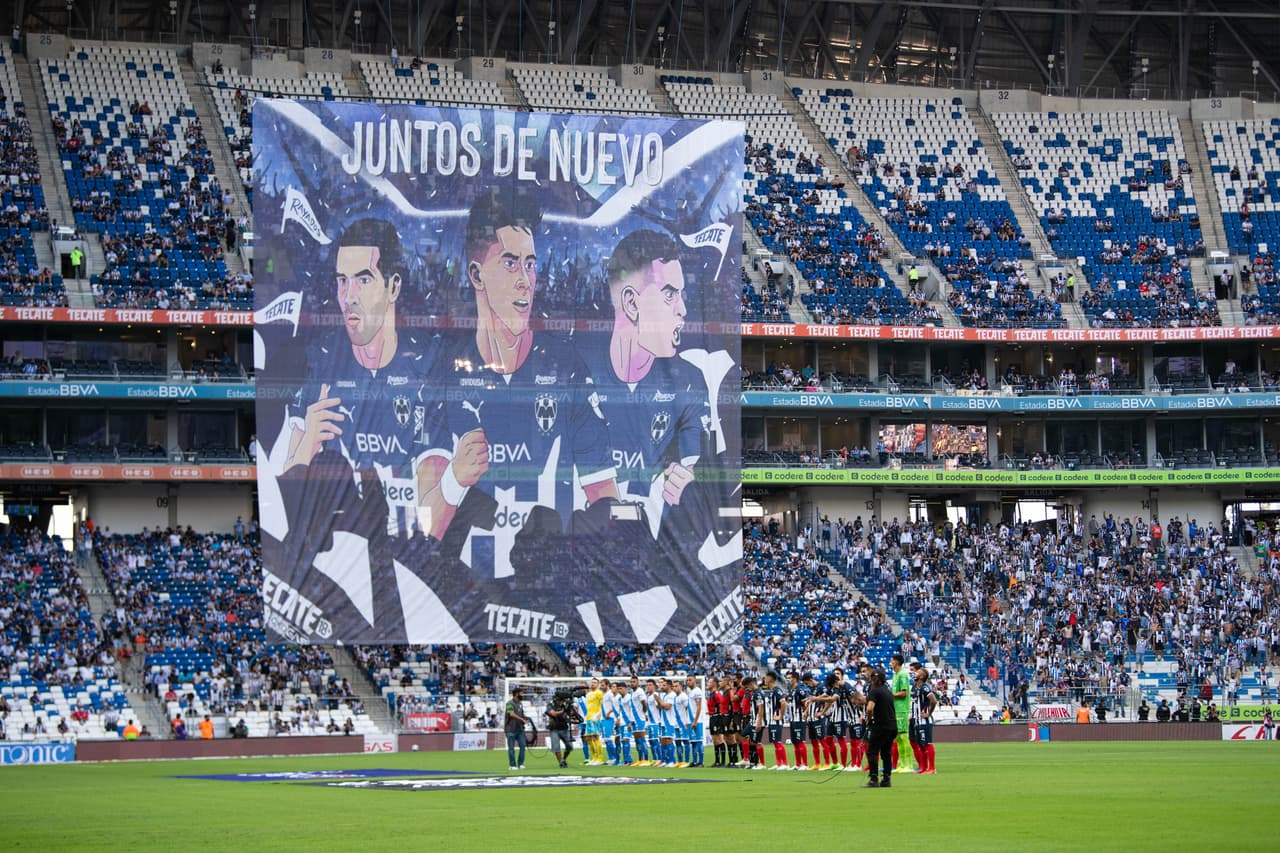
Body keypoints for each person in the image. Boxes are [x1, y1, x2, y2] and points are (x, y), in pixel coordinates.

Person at [417, 190, 617, 576]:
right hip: (465, 604)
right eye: (510, 263)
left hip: (548, 590)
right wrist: (455, 481)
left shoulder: (565, 366)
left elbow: (606, 499)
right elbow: (427, 527)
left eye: (530, 265)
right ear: (476, 275)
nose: (526, 281)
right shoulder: (441, 370)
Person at [864, 668, 897, 788]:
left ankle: (873, 779)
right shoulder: (887, 691)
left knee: (872, 751)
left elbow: (869, 708)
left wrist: (869, 719)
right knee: (886, 753)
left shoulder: (874, 691)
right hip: (892, 726)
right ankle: (887, 779)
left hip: (880, 726)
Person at [910, 665, 937, 774]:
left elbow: (933, 700)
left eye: (918, 672)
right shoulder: (914, 687)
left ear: (922, 677)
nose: (915, 673)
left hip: (924, 720)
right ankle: (923, 768)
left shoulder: (924, 687)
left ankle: (932, 768)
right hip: (916, 720)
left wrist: (929, 713)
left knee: (927, 744)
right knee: (920, 744)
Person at [889, 654, 914, 770]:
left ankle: (908, 764)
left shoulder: (903, 675)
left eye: (891, 661)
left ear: (897, 662)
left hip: (902, 709)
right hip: (895, 709)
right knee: (898, 738)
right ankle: (902, 764)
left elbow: (904, 692)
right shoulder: (895, 675)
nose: (890, 663)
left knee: (903, 736)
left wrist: (891, 695)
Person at [545, 689, 572, 768]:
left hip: (564, 727)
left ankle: (563, 759)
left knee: (569, 746)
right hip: (554, 728)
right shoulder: (550, 704)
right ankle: (561, 762)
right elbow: (552, 713)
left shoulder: (566, 704)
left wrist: (569, 710)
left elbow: (571, 714)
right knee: (556, 747)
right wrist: (563, 711)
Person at [504, 687, 529, 770]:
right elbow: (511, 714)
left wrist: (526, 718)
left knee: (523, 746)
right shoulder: (509, 703)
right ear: (516, 694)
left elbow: (521, 714)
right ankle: (512, 765)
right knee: (511, 748)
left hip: (520, 729)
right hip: (510, 729)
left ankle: (520, 764)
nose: (522, 695)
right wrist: (522, 719)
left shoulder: (520, 704)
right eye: (521, 693)